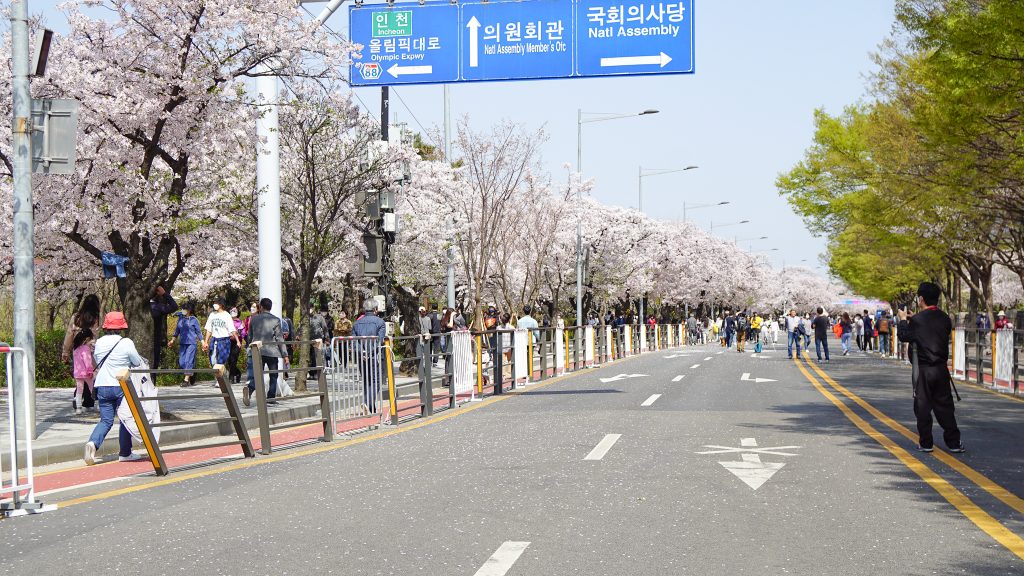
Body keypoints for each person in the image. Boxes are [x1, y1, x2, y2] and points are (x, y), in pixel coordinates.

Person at [897, 282, 964, 453]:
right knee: (945, 406)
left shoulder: (917, 321)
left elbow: (904, 336)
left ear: (921, 299)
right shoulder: (944, 318)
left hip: (924, 369)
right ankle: (954, 443)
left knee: (923, 406)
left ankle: (926, 443)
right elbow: (931, 330)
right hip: (941, 369)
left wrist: (904, 320)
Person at [84, 312, 146, 465]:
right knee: (125, 418)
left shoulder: (99, 342)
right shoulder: (126, 342)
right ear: (121, 327)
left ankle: (92, 443)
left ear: (106, 326)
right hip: (121, 385)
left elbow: (97, 360)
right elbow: (136, 361)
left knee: (106, 420)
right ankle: (125, 453)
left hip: (102, 385)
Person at [242, 298, 286, 407]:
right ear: (270, 307)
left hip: (257, 350)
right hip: (272, 351)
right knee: (274, 374)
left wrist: (250, 346)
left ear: (261, 307)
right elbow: (279, 338)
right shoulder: (276, 320)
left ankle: (250, 388)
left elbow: (250, 336)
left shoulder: (254, 319)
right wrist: (285, 354)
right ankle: (271, 397)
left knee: (258, 374)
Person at [62, 294, 102, 411]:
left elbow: (69, 335)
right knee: (93, 376)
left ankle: (78, 399)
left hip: (77, 352)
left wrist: (65, 352)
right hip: (92, 351)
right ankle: (92, 401)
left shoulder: (76, 317)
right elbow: (96, 336)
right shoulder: (96, 318)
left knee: (80, 376)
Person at [352, 298, 387, 414]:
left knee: (366, 380)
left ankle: (370, 407)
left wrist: (361, 351)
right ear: (375, 309)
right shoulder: (380, 322)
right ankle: (368, 403)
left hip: (360, 356)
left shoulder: (356, 323)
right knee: (376, 380)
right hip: (374, 356)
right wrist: (369, 352)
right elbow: (379, 341)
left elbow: (354, 341)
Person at [168, 302, 202, 387]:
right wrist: (172, 340)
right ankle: (192, 372)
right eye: (182, 308)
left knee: (188, 360)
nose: (183, 310)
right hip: (182, 343)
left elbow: (198, 332)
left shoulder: (194, 319)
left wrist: (203, 342)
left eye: (185, 309)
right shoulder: (181, 319)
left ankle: (186, 380)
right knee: (182, 362)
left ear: (189, 310)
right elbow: (177, 331)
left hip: (191, 343)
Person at [202, 298, 241, 370]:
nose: (214, 305)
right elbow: (209, 329)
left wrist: (238, 341)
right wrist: (206, 342)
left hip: (224, 340)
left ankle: (221, 378)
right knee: (213, 361)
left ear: (221, 305)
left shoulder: (226, 315)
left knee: (221, 361)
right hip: (214, 340)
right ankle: (220, 376)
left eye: (216, 303)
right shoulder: (212, 315)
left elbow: (232, 329)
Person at [149, 284, 178, 367]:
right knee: (153, 365)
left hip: (140, 341)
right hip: (155, 339)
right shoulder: (157, 307)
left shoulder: (140, 306)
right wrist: (164, 294)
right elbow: (174, 306)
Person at [71, 329, 96, 415]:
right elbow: (87, 361)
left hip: (78, 373)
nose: (92, 341)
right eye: (91, 339)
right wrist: (90, 370)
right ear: (87, 339)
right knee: (93, 388)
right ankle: (100, 405)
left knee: (79, 390)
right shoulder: (85, 348)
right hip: (86, 373)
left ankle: (78, 408)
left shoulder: (75, 348)